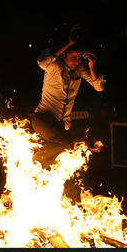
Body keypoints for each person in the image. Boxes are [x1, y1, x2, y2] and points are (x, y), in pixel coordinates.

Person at [31, 25, 106, 169]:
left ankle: (42, 173)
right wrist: (69, 42)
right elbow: (41, 60)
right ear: (63, 54)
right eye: (74, 58)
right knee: (63, 140)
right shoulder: (54, 66)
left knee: (65, 150)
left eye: (79, 58)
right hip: (42, 118)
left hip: (60, 124)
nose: (77, 61)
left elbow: (99, 87)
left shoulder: (80, 68)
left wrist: (91, 65)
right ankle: (35, 163)